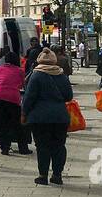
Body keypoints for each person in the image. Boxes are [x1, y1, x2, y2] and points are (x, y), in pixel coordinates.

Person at [21, 48, 73, 186]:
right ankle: (57, 175)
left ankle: (43, 175)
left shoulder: (36, 75)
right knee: (59, 146)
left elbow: (29, 97)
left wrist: (24, 113)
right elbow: (69, 96)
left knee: (42, 146)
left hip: (40, 118)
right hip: (60, 117)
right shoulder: (61, 75)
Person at [0, 52, 31, 155]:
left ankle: (5, 147)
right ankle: (23, 148)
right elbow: (22, 84)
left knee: (2, 123)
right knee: (17, 124)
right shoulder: (20, 71)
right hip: (13, 98)